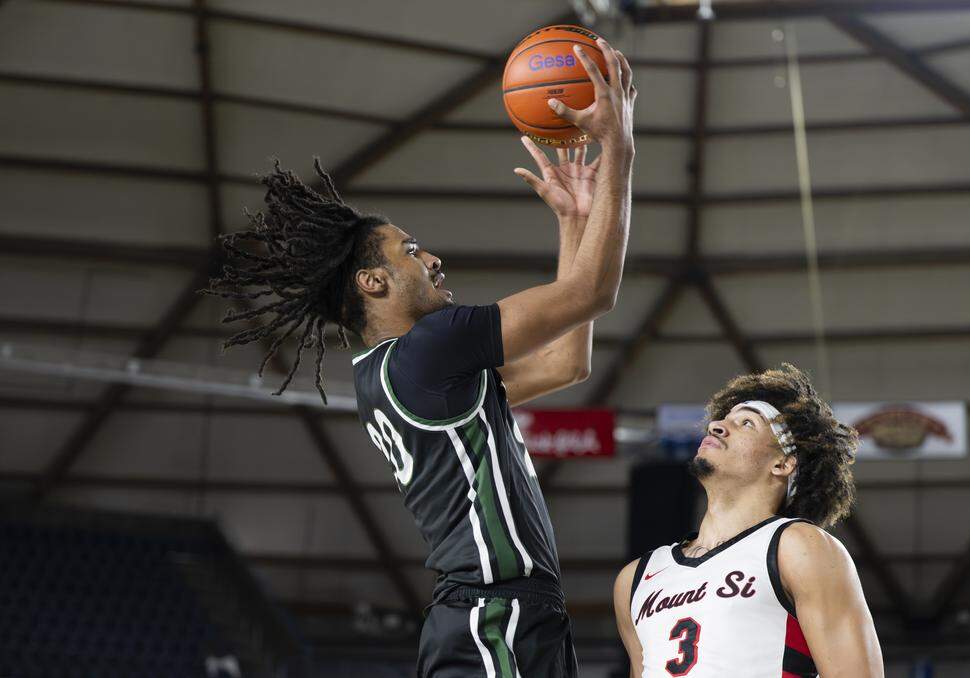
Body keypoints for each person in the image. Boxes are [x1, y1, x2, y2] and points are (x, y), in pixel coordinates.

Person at [207, 38, 636, 678]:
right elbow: (592, 293)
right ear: (372, 283)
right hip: (497, 615)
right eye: (411, 250)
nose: (432, 258)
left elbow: (565, 364)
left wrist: (575, 220)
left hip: (494, 614)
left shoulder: (390, 374)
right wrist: (620, 148)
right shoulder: (434, 347)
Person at [613, 365, 884, 677]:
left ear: (782, 463)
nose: (717, 426)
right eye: (722, 420)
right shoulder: (635, 579)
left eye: (745, 423)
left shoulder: (798, 547)